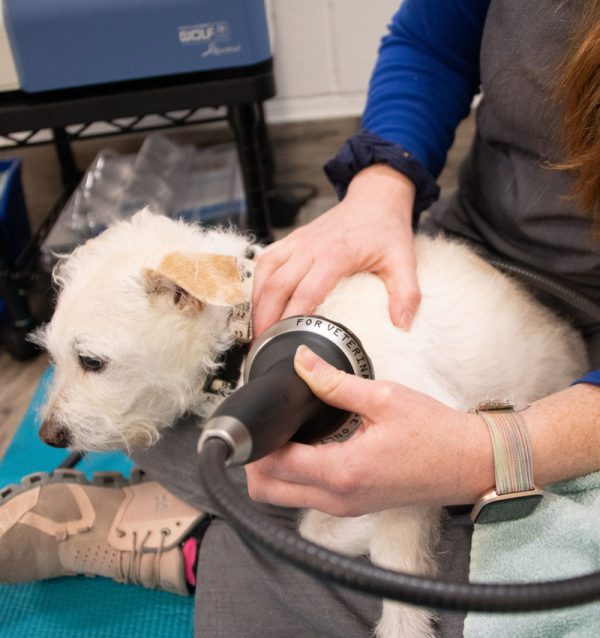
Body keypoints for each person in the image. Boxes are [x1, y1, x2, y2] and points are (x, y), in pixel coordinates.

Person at [1, 1, 600, 637]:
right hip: (462, 249)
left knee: (539, 592)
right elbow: (432, 42)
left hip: (566, 375)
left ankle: (199, 541)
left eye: (86, 359)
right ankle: (260, 536)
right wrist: (380, 188)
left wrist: (492, 452)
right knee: (193, 424)